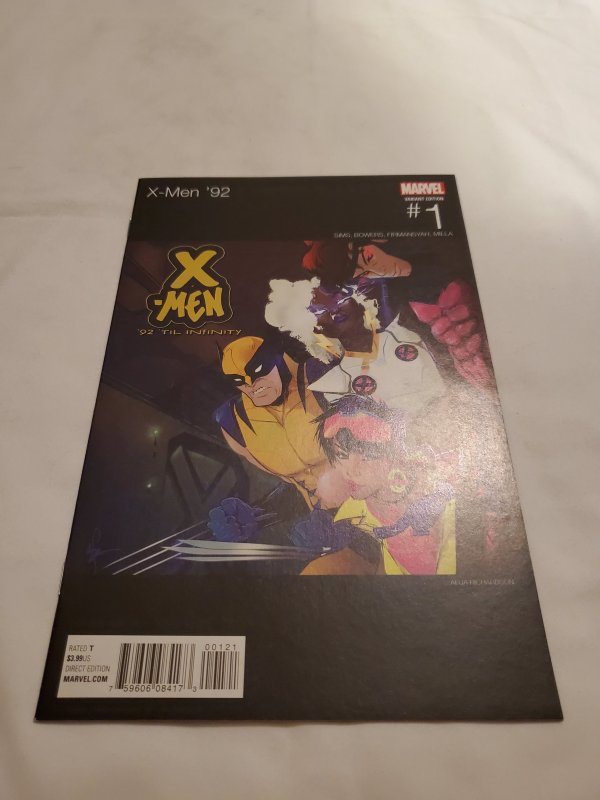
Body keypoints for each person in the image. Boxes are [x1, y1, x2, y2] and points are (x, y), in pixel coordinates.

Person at [294, 395, 456, 575]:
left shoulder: (439, 488)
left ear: (393, 453)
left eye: (365, 455)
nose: (350, 471)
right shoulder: (353, 514)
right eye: (341, 455)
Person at [214, 335, 330, 508]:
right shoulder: (232, 420)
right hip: (323, 511)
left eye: (258, 370)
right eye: (239, 380)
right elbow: (289, 480)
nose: (250, 383)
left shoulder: (318, 375)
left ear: (276, 359)